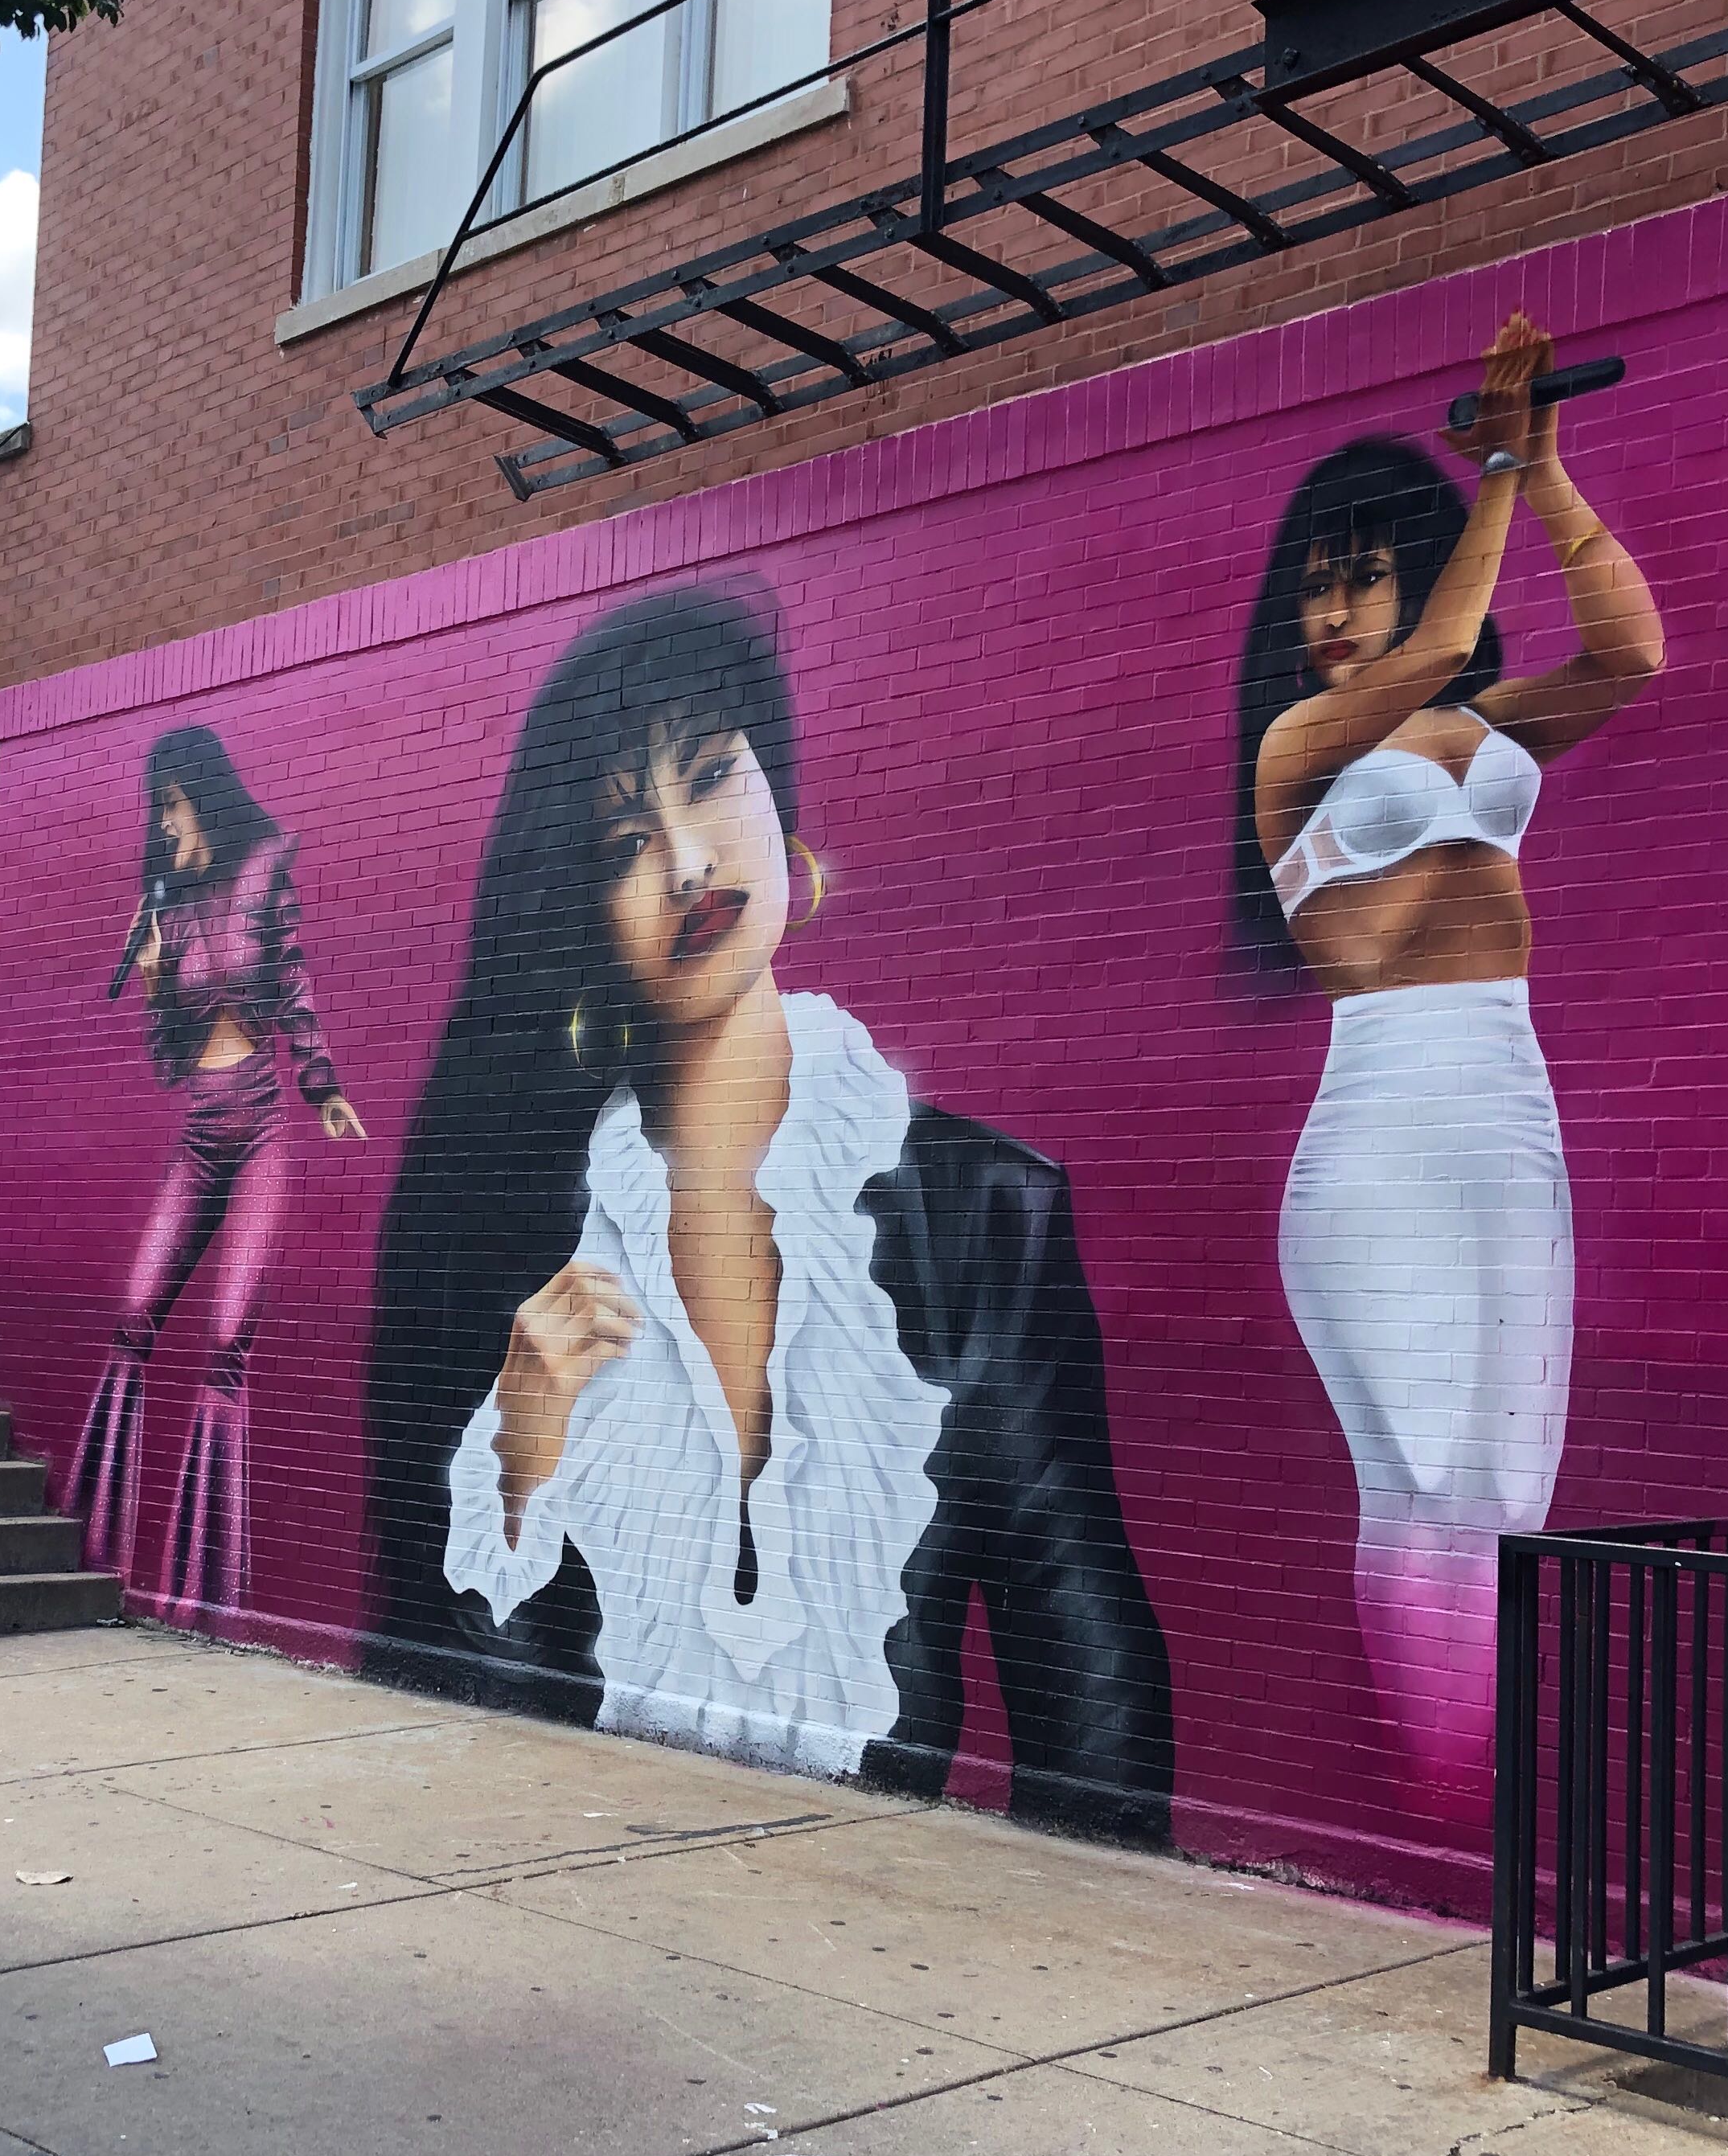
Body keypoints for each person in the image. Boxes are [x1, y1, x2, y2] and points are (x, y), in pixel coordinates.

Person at [365, 582, 1175, 1842]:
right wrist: (519, 1462)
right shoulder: (513, 1229)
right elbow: (444, 1689)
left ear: (784, 804)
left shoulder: (984, 1216)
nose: (688, 860)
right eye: (624, 842)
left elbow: (1085, 1660)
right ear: (580, 914)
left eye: (712, 778)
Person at [1233, 311, 1666, 1818]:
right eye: (1312, 581)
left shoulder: (1483, 726)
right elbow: (1430, 653)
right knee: (1416, 1479)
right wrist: (1494, 466)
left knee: (1511, 1486)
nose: (1332, 608)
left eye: (1356, 568)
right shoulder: (1297, 744)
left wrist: (1540, 475)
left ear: (1409, 556)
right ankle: (1425, 1798)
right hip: (1381, 1129)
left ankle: (1480, 1802)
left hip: (1506, 1105)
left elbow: (1629, 650)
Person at [63, 725, 367, 1619]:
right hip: (200, 1132)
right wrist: (157, 979)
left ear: (205, 794)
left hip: (264, 1125)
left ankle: (206, 1593)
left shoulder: (268, 867)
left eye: (172, 806)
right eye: (156, 813)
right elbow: (166, 1059)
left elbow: (295, 983)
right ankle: (95, 1548)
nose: (163, 828)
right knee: (131, 1317)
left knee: (227, 1343)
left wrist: (322, 1088)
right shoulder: (166, 905)